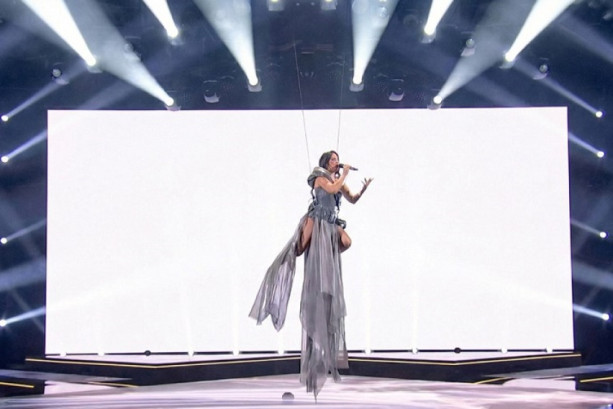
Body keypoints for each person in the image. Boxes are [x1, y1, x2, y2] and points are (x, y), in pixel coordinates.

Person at [249, 150, 373, 398]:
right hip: (316, 220)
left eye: (338, 160)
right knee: (298, 250)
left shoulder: (337, 180)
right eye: (334, 160)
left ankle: (322, 249)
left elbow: (351, 199)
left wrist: (363, 189)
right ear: (327, 162)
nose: (337, 162)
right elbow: (332, 189)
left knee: (346, 241)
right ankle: (291, 257)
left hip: (330, 223)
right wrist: (343, 174)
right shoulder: (319, 178)